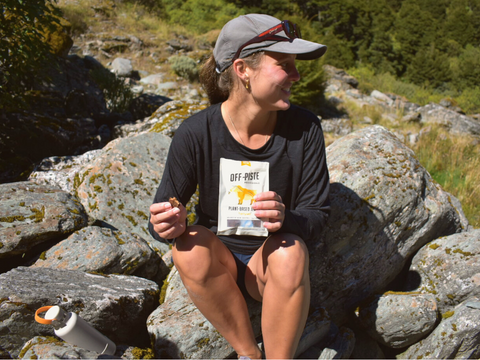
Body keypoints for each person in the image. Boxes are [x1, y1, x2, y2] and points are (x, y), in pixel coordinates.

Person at [149, 13, 330, 359]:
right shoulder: (196, 132)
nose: (296, 75)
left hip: (269, 268)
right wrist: (167, 224)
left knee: (291, 251)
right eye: (284, 64)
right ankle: (248, 353)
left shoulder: (305, 129)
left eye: (295, 65)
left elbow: (318, 215)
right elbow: (165, 211)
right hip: (220, 267)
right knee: (187, 244)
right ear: (242, 70)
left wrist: (285, 218)